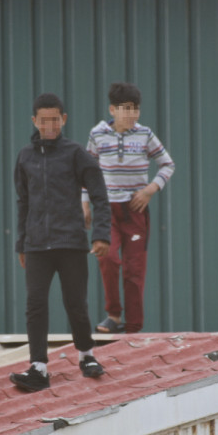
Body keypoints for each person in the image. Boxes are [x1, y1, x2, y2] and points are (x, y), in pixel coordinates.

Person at [11, 92, 112, 392]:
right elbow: (23, 202)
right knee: (35, 304)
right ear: (35, 121)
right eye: (44, 120)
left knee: (75, 304)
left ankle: (87, 356)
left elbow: (99, 195)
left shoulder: (76, 153)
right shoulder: (25, 157)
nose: (50, 125)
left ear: (63, 119)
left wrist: (101, 234)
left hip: (71, 243)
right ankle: (38, 367)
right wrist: (21, 244)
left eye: (55, 119)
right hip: (37, 246)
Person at [82, 82, 175, 335]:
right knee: (108, 257)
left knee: (135, 268)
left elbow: (167, 164)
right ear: (112, 110)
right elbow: (87, 172)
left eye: (135, 109)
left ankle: (133, 326)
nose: (131, 114)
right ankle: (113, 314)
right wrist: (85, 204)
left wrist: (150, 190)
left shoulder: (145, 135)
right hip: (106, 211)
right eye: (125, 109)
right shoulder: (98, 135)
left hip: (135, 213)